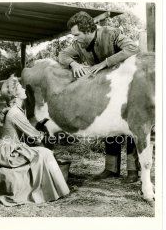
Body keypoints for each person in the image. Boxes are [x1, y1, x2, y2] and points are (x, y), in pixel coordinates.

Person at [58, 11, 140, 182]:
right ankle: (111, 169)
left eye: (77, 34)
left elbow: (133, 48)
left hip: (127, 87)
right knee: (110, 127)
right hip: (105, 91)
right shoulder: (78, 44)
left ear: (88, 30)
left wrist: (106, 62)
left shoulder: (111, 33)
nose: (75, 38)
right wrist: (73, 63)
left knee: (130, 127)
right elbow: (62, 55)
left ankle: (133, 171)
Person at [0, 75, 70, 206]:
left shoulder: (16, 110)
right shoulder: (16, 113)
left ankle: (54, 188)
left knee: (42, 152)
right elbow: (35, 136)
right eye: (20, 87)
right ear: (15, 94)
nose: (24, 89)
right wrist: (48, 144)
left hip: (10, 147)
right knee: (45, 153)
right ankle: (51, 191)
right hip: (9, 152)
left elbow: (31, 134)